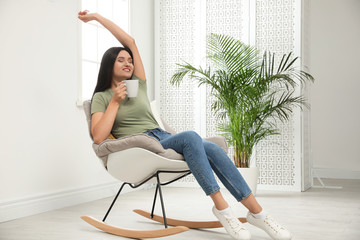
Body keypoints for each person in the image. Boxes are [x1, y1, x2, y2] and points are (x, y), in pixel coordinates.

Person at [78, 10, 292, 240]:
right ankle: (223, 209)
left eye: (130, 60)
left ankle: (258, 213)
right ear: (109, 65)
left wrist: (98, 18)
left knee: (212, 148)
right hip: (143, 145)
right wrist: (116, 102)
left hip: (161, 136)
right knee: (192, 137)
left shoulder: (138, 85)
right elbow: (99, 137)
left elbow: (130, 42)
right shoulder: (102, 96)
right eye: (121, 60)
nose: (128, 63)